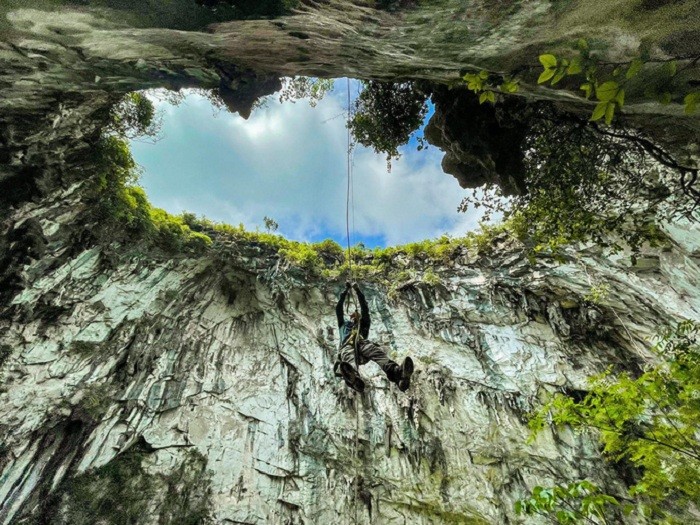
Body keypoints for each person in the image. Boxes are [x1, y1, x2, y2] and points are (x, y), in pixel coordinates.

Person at [334, 282, 414, 393]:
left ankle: (396, 373)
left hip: (362, 346)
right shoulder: (343, 326)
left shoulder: (363, 326)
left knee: (375, 350)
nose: (353, 316)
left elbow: (365, 309)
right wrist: (345, 292)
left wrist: (358, 291)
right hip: (348, 347)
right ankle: (353, 377)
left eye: (356, 315)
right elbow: (339, 309)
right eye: (352, 316)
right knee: (348, 353)